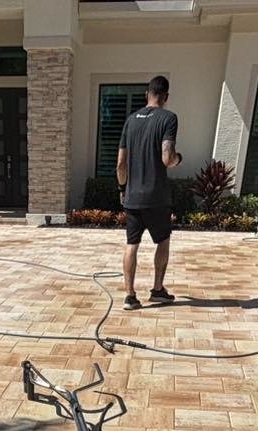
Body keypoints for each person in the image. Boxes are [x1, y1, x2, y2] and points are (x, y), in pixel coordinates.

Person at [116, 75, 181, 311]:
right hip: (156, 198)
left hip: (132, 197)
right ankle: (157, 290)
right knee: (163, 241)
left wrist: (123, 189)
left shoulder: (130, 120)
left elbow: (120, 164)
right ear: (166, 97)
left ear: (147, 94)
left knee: (131, 243)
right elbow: (167, 158)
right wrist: (178, 159)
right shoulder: (168, 118)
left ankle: (130, 296)